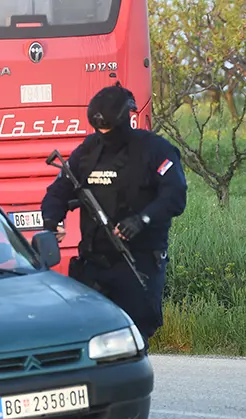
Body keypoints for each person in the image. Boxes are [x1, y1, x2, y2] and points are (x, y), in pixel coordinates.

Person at [40, 82, 188, 343]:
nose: (104, 134)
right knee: (87, 341)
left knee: (132, 340)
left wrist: (142, 219)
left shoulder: (155, 150)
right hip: (93, 265)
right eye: (99, 129)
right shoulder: (88, 151)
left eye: (109, 129)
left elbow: (175, 196)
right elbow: (59, 190)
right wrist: (52, 220)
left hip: (137, 263)